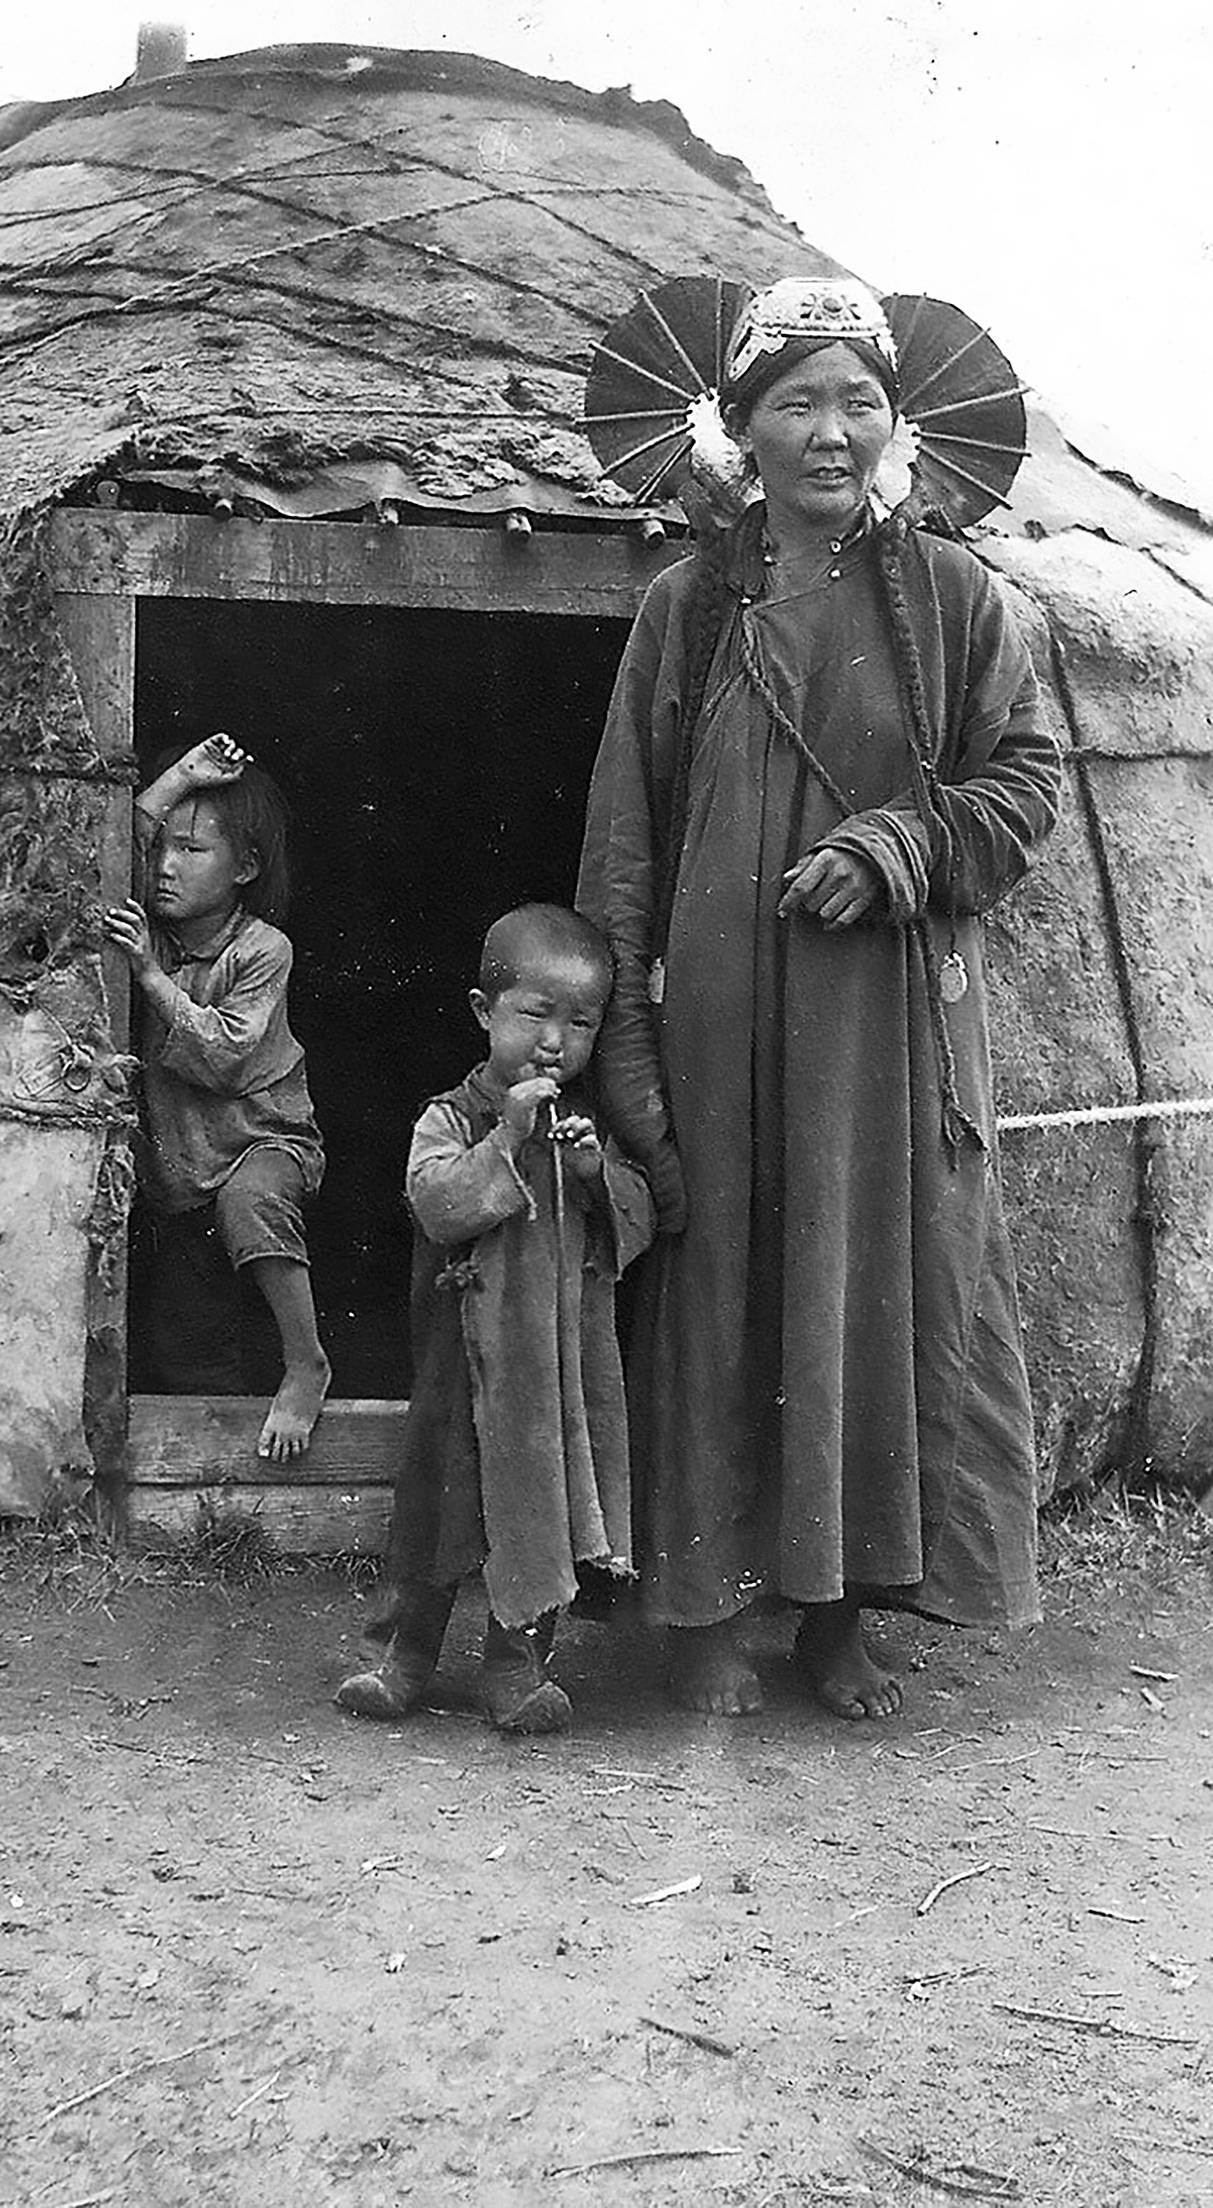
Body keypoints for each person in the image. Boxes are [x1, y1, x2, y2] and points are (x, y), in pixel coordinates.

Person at [577, 277, 1061, 1721]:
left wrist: (898, 845)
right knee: (723, 1276)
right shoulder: (688, 604)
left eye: (858, 400)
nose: (829, 432)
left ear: (897, 424)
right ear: (739, 429)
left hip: (882, 1025)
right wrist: (629, 1035)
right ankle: (714, 1604)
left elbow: (1024, 788)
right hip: (721, 1022)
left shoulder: (960, 602)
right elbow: (626, 830)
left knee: (871, 1282)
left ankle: (846, 1613)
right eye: (796, 402)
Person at [334, 903, 654, 1735]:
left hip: (550, 1375)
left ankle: (515, 1671)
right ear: (485, 1014)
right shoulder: (451, 1117)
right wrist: (507, 1139)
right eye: (534, 1015)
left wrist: (590, 1173)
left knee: (539, 1515)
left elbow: (639, 1218)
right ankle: (405, 1662)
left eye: (579, 1023)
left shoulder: (586, 1127)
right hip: (465, 1366)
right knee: (438, 1517)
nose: (555, 1042)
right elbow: (438, 1204)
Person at [103, 734, 331, 1461]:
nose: (166, 866)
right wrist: (183, 777)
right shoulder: (150, 929)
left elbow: (228, 1054)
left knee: (252, 1204)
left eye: (194, 851)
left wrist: (150, 980)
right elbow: (116, 833)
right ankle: (227, 1497)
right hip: (183, 1171)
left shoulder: (262, 949)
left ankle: (307, 1362)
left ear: (248, 867)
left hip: (263, 1143)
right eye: (164, 848)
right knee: (188, 1344)